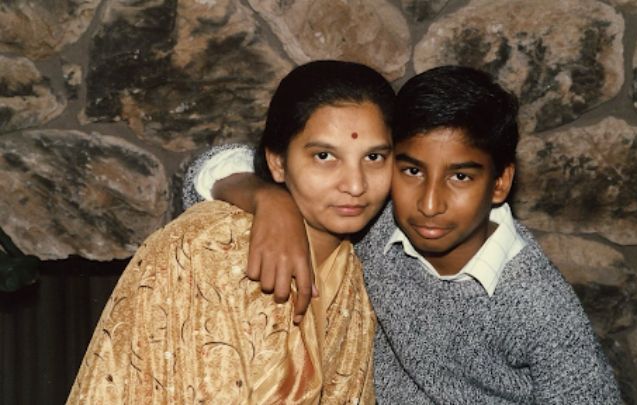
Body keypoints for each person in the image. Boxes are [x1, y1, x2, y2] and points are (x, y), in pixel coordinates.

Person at [185, 65, 622, 403]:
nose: (429, 204)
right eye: (411, 170)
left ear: (501, 183)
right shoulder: (373, 220)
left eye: (461, 178)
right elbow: (209, 169)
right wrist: (269, 199)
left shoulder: (535, 302)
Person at [68, 60, 396, 404]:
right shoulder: (210, 250)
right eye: (325, 156)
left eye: (374, 157)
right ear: (278, 162)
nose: (356, 185)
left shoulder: (359, 265)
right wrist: (266, 195)